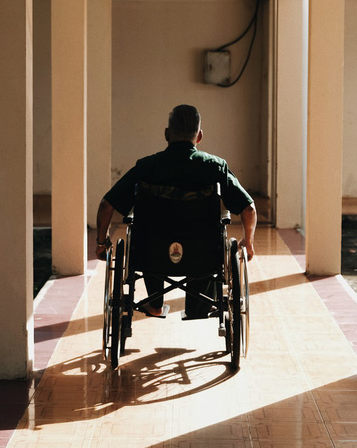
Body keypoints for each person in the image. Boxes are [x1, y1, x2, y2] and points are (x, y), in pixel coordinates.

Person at [95, 104, 257, 318]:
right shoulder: (215, 167)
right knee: (207, 244)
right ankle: (200, 306)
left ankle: (154, 304)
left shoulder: (146, 167)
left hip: (151, 254)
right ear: (199, 136)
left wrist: (101, 241)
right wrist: (248, 241)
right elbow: (248, 208)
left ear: (166, 134)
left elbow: (107, 205)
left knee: (150, 238)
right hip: (203, 254)